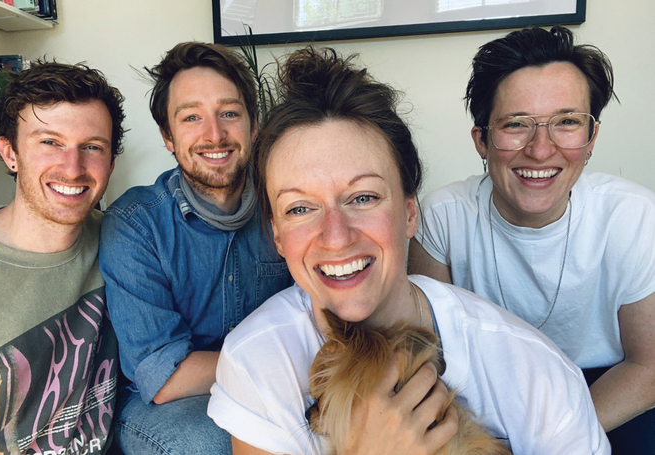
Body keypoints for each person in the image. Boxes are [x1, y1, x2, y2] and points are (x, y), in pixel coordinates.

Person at [207, 46, 609, 455]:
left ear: (410, 212)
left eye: (363, 197)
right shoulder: (260, 359)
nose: (336, 236)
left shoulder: (536, 373)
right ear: (277, 235)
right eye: (300, 208)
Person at [408, 25, 655, 454]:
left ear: (592, 137)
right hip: (485, 400)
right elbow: (431, 363)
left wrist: (550, 439)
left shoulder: (634, 218)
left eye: (567, 122)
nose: (541, 150)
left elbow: (648, 366)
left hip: (606, 388)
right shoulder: (443, 219)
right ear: (482, 140)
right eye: (516, 124)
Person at [99, 42, 292, 454]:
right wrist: (288, 365)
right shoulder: (135, 224)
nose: (214, 135)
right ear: (168, 137)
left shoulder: (286, 204)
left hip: (279, 380)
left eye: (229, 113)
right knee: (214, 442)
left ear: (253, 125)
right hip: (170, 406)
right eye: (191, 118)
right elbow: (164, 377)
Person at [0, 61, 125, 454]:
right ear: (9, 153)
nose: (73, 167)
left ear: (111, 164)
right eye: (50, 142)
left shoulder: (126, 241)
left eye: (92, 147)